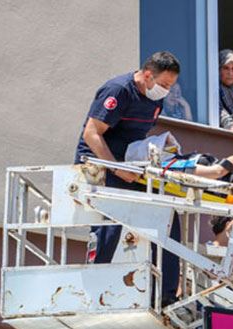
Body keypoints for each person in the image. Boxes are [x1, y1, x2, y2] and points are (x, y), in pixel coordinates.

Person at [74, 51, 182, 304]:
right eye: (164, 85)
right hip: (100, 164)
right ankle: (93, 288)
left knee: (166, 214)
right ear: (147, 75)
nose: (166, 91)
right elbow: (92, 133)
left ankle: (166, 294)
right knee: (111, 223)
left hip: (129, 164)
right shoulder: (118, 90)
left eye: (171, 86)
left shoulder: (155, 100)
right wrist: (115, 168)